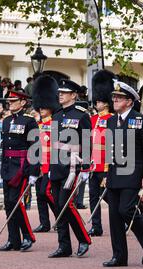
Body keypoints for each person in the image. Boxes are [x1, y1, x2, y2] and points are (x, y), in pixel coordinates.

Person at [103, 80, 143, 267]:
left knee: (126, 209)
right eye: (114, 97)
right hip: (114, 172)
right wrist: (104, 174)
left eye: (120, 98)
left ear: (130, 101)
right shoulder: (110, 121)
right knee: (114, 216)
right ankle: (119, 256)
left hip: (133, 171)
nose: (115, 100)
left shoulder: (141, 120)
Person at [48, 79, 92, 258]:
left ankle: (83, 239)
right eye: (60, 92)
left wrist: (86, 167)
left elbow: (87, 141)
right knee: (58, 206)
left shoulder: (82, 115)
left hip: (73, 165)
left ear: (73, 95)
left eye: (64, 92)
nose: (60, 95)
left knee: (67, 205)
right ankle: (64, 245)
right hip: (57, 165)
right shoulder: (57, 115)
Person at [0, 91, 39, 252]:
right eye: (9, 100)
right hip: (8, 166)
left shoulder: (30, 121)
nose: (10, 103)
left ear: (22, 102)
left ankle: (28, 236)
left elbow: (34, 147)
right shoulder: (6, 120)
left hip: (21, 167)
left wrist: (34, 172)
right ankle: (13, 239)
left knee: (16, 203)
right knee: (8, 203)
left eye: (13, 100)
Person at [88, 70, 115, 237]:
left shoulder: (112, 119)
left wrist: (109, 168)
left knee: (110, 197)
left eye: (99, 101)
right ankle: (96, 226)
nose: (96, 103)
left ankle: (130, 214)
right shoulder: (92, 120)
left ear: (105, 103)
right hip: (93, 165)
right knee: (93, 197)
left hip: (106, 164)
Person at [32, 75, 59, 233]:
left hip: (49, 166)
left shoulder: (55, 123)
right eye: (39, 107)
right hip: (39, 165)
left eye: (44, 106)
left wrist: (48, 167)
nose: (41, 109)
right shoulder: (37, 124)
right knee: (39, 196)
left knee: (46, 192)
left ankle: (60, 217)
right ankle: (44, 223)